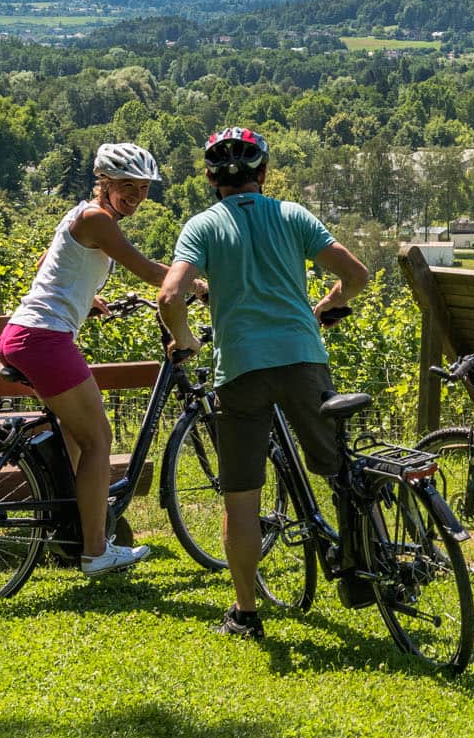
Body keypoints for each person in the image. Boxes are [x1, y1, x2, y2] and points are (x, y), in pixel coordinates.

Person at [156, 126, 371, 640]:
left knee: (242, 497)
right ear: (264, 174)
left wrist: (185, 338)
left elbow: (169, 297)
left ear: (211, 178)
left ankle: (247, 611)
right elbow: (357, 274)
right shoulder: (292, 215)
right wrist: (326, 306)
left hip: (242, 372)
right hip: (302, 358)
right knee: (340, 469)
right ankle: (365, 567)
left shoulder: (202, 227)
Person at [0, 142, 178, 576]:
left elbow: (47, 262)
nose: (135, 196)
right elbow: (149, 271)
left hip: (26, 333)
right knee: (99, 439)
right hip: (46, 339)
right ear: (104, 183)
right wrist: (198, 286)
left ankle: (73, 530)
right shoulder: (99, 220)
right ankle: (97, 552)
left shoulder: (80, 214)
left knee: (78, 439)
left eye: (142, 189)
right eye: (126, 187)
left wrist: (85, 294)